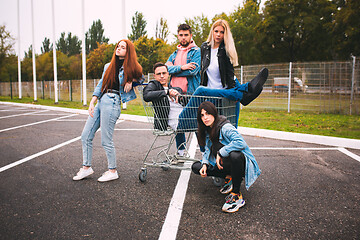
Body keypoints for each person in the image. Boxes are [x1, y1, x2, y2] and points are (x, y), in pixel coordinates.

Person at [73, 40, 144, 182]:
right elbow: (101, 84)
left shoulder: (132, 66)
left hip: (112, 101)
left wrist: (131, 81)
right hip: (101, 100)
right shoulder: (108, 66)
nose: (119, 49)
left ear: (128, 51)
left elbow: (141, 79)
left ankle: (112, 171)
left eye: (123, 47)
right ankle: (86, 168)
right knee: (85, 135)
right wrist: (92, 101)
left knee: (106, 139)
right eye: (118, 46)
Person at [177, 19, 268, 130]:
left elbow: (230, 74)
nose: (218, 34)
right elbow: (202, 72)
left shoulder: (225, 49)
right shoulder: (205, 47)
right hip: (210, 93)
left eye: (222, 32)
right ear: (212, 32)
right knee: (201, 91)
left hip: (224, 92)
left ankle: (244, 90)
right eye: (216, 31)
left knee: (229, 128)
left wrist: (231, 91)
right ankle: (246, 91)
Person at [191, 101, 261, 213]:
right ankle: (229, 178)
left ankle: (237, 195)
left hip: (240, 164)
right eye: (202, 115)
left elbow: (241, 143)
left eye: (208, 114)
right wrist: (204, 164)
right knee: (196, 167)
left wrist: (221, 152)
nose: (205, 118)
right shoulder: (208, 129)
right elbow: (208, 150)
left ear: (214, 113)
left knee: (235, 155)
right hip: (224, 164)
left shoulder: (225, 127)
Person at [143, 62, 187, 156]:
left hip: (180, 116)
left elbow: (183, 99)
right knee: (191, 124)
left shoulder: (174, 88)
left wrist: (179, 95)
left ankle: (181, 152)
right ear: (154, 76)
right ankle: (203, 153)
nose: (162, 76)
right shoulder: (154, 84)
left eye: (164, 73)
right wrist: (166, 92)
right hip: (166, 120)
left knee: (197, 120)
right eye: (159, 74)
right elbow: (146, 95)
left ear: (168, 74)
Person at [166, 23, 201, 95]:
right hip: (173, 92)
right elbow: (165, 69)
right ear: (178, 36)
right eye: (181, 35)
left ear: (191, 36)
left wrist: (173, 71)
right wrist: (181, 67)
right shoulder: (174, 55)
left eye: (186, 35)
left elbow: (192, 71)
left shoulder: (196, 51)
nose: (183, 37)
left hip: (190, 93)